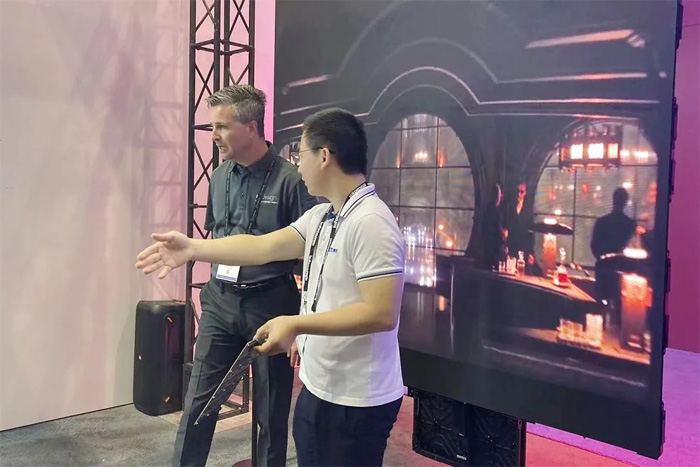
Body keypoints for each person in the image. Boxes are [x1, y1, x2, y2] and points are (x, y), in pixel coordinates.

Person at [136, 108, 406, 467]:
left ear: (324, 156)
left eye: (301, 154)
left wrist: (295, 324)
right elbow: (262, 247)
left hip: (358, 398)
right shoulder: (322, 216)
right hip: (320, 385)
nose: (297, 164)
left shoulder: (371, 223)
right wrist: (194, 249)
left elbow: (381, 313)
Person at [168, 85, 316, 467]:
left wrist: (302, 323)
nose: (214, 135)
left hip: (270, 303)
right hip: (220, 301)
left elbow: (307, 254)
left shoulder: (291, 181)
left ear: (251, 127)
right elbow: (217, 236)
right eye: (212, 126)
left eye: (222, 127)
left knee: (271, 412)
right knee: (198, 404)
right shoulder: (218, 178)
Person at [590, 187, 637, 324]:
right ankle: (617, 330)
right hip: (622, 271)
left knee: (600, 306)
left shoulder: (602, 222)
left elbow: (594, 246)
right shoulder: (631, 225)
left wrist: (604, 259)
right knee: (620, 307)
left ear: (613, 200)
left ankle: (599, 328)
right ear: (625, 202)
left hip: (603, 269)